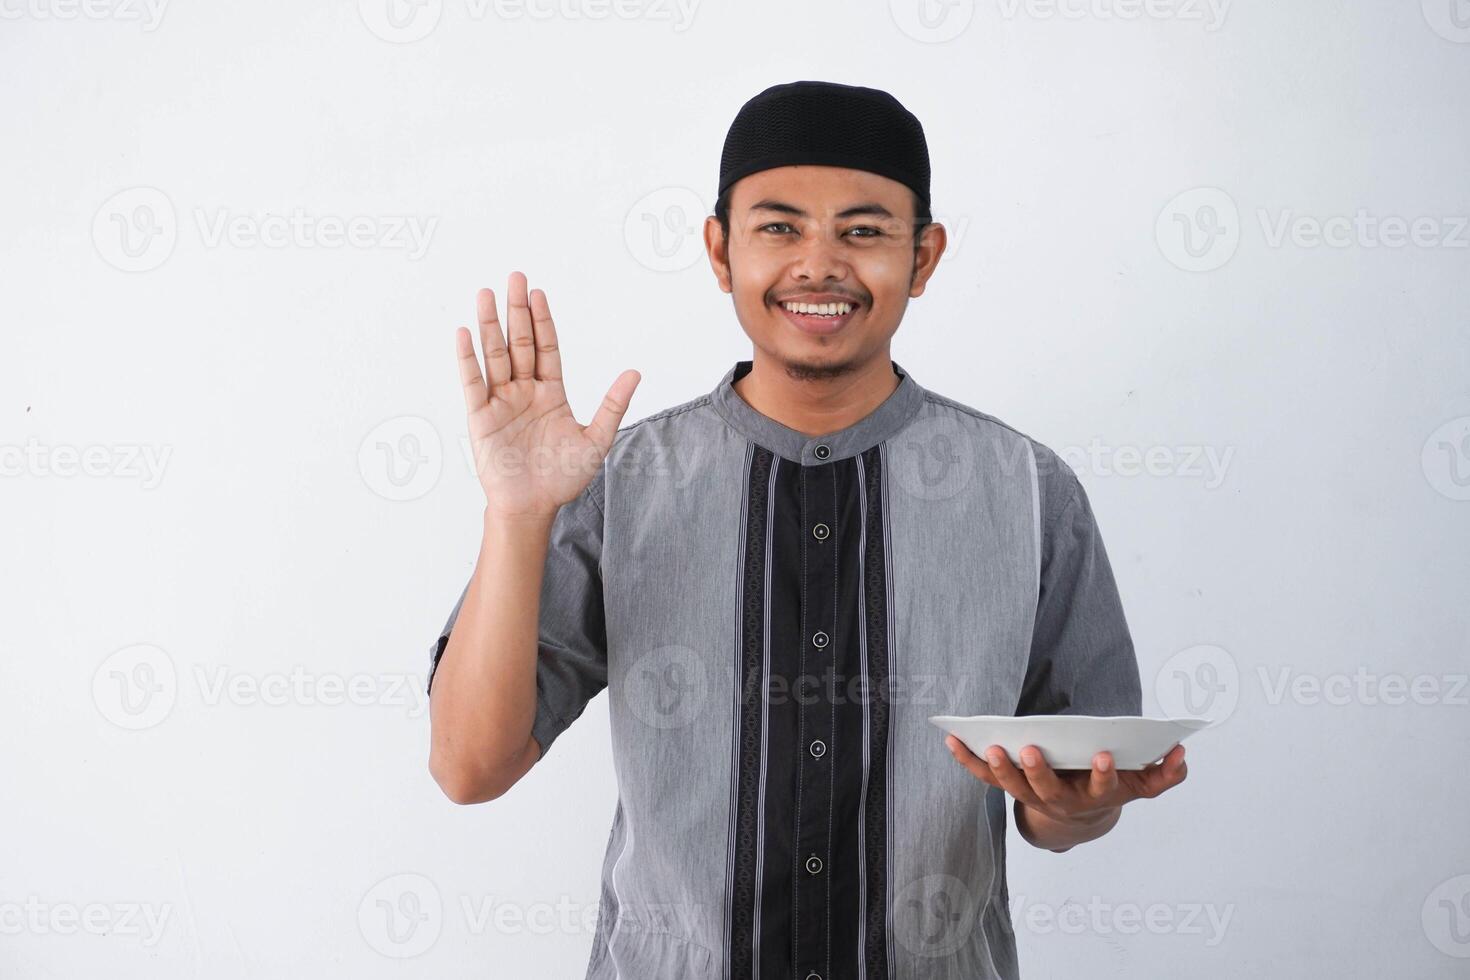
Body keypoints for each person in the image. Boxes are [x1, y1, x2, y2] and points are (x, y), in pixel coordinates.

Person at [424, 79, 1187, 980]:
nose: (818, 264)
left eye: (863, 231)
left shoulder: (1028, 490)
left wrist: (1079, 806)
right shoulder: (617, 483)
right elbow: (469, 768)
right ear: (720, 249)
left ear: (925, 256)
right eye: (779, 227)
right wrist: (517, 516)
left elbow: (1068, 807)